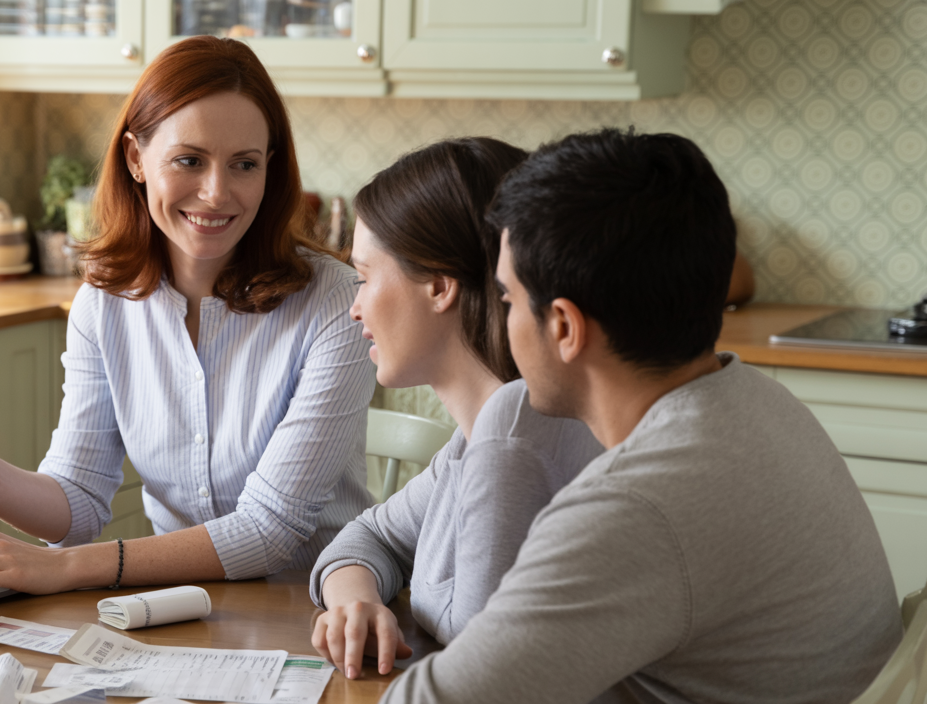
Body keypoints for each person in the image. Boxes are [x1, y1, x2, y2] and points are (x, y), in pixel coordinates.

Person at [0, 36, 375, 595]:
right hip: (185, 611)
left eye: (244, 164)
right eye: (189, 160)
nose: (216, 193)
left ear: (269, 170)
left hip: (325, 612)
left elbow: (269, 531)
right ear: (136, 159)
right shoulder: (104, 303)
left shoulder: (336, 302)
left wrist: (65, 568)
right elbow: (79, 499)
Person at [380, 127, 901, 703]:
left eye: (506, 299)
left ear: (564, 327)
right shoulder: (755, 399)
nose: (502, 319)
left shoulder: (632, 510)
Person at [307, 139, 606, 680]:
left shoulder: (516, 443)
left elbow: (486, 677)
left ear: (440, 286)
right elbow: (366, 536)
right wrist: (356, 603)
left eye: (365, 277)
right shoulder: (474, 437)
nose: (354, 308)